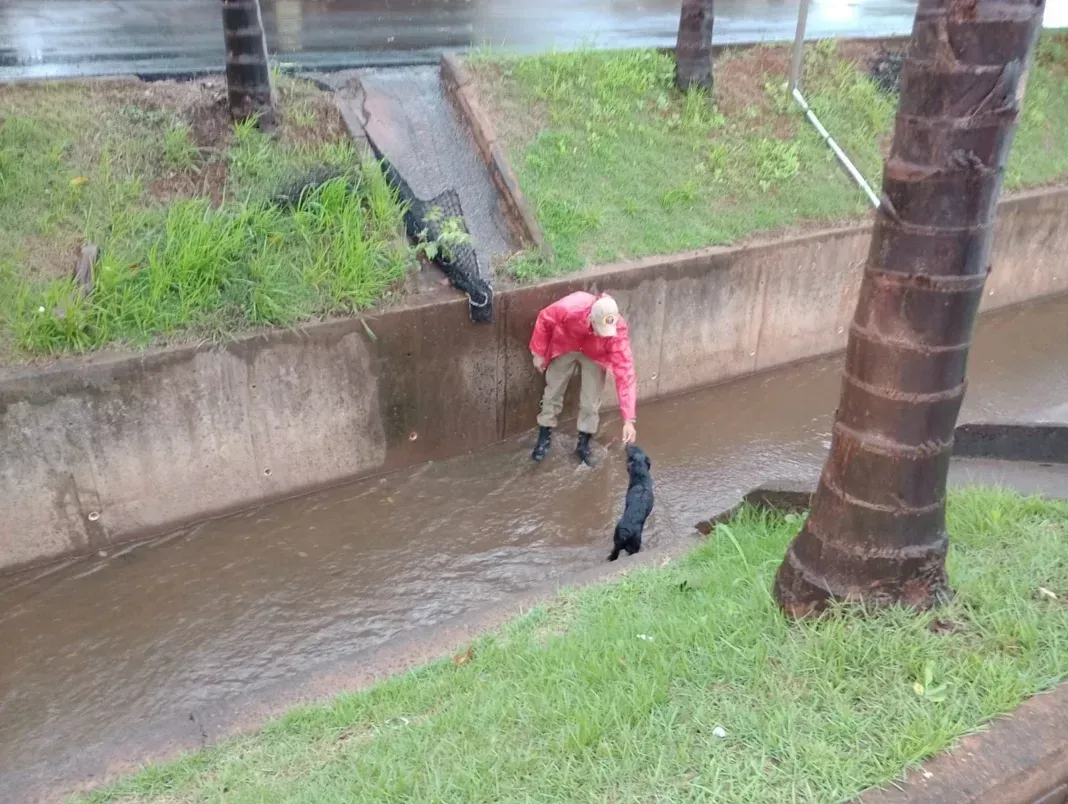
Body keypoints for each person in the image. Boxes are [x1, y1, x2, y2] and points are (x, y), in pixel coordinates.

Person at [528, 291, 637, 466]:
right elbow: (544, 319)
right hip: (566, 343)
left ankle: (584, 444)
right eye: (599, 329)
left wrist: (629, 419)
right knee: (553, 389)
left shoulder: (616, 334)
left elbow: (626, 374)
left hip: (596, 353)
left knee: (591, 400)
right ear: (590, 318)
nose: (603, 334)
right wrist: (538, 352)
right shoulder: (571, 307)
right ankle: (544, 435)